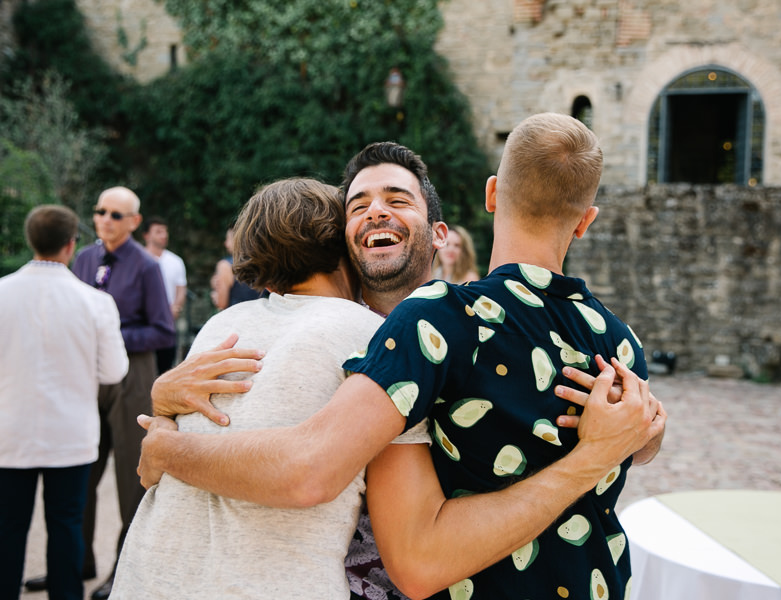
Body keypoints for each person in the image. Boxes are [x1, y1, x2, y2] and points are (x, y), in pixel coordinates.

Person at [139, 134, 665, 599]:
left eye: (397, 200)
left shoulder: (452, 323)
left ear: (442, 233)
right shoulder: (304, 330)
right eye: (357, 205)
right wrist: (163, 399)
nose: (376, 212)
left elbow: (310, 470)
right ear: (339, 239)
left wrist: (641, 434)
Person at [111, 178, 431, 598]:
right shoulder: (370, 334)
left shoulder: (221, 326)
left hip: (147, 577)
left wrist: (164, 441)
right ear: (341, 245)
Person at [25, 187, 176, 600]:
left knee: (131, 476)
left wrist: (109, 334)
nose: (105, 219)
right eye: (100, 211)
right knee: (82, 471)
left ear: (134, 222)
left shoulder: (147, 266)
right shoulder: (84, 258)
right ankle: (77, 563)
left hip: (132, 374)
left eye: (115, 213)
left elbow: (163, 330)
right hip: (88, 375)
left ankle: (120, 568)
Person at [0, 205, 128, 600]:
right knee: (67, 525)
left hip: (9, 431)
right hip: (70, 434)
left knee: (7, 529)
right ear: (71, 245)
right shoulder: (95, 302)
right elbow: (114, 371)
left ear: (30, 241)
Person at [142, 216, 187, 372]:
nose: (164, 235)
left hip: (167, 321)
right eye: (158, 232)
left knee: (165, 366)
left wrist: (175, 308)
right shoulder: (138, 259)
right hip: (143, 323)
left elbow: (181, 289)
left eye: (165, 231)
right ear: (146, 235)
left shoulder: (176, 261)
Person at [210, 226, 264, 310]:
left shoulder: (225, 266)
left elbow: (222, 303)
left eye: (228, 239)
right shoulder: (262, 263)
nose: (225, 244)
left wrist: (216, 296)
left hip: (235, 318)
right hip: (259, 316)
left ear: (237, 240)